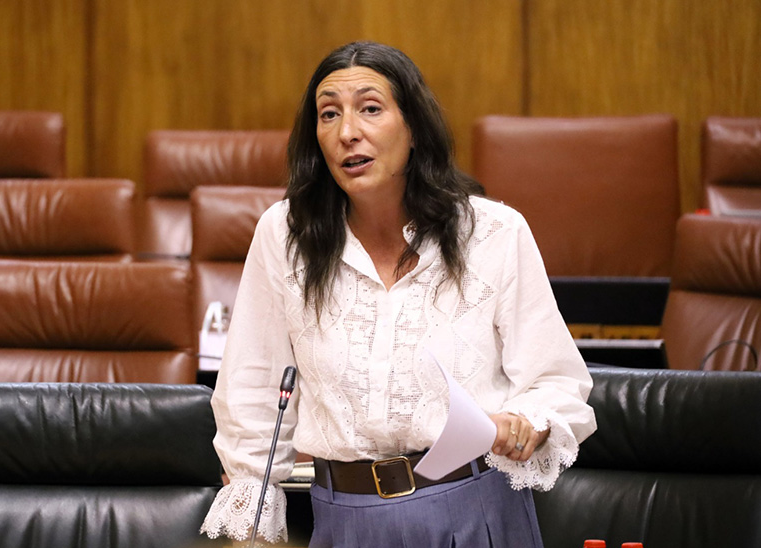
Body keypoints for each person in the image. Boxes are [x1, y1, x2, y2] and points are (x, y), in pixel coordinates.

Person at [200, 41, 596, 547]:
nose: (347, 132)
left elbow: (557, 380)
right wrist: (251, 528)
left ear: (413, 128)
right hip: (344, 522)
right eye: (328, 114)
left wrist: (528, 422)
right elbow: (252, 395)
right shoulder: (285, 236)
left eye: (370, 108)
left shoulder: (494, 232)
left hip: (475, 512)